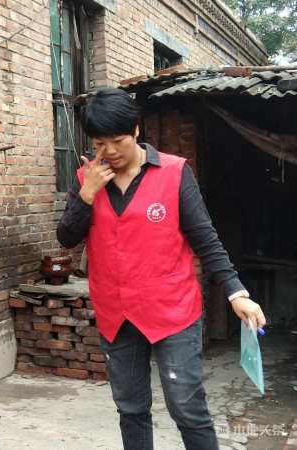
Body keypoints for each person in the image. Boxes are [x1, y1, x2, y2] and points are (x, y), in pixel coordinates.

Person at [56, 88, 265, 450]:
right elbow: (66, 238)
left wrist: (236, 292)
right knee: (131, 408)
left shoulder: (174, 173)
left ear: (136, 130)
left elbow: (205, 238)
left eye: (117, 141)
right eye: (100, 143)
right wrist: (87, 195)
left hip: (172, 311)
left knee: (186, 407)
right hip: (116, 313)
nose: (109, 152)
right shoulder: (86, 179)